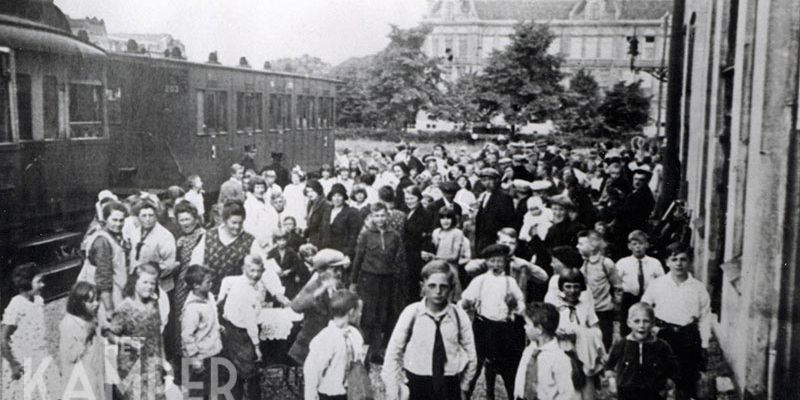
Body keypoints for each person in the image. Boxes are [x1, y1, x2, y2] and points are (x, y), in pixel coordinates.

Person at [382, 261, 477, 400]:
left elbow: (471, 353)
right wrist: (392, 389)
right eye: (432, 286)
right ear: (423, 287)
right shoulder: (411, 313)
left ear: (451, 288)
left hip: (449, 383)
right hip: (417, 382)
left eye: (443, 286)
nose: (438, 291)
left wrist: (464, 386)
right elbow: (393, 352)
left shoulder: (459, 315)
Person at [641, 242, 711, 400]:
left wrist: (704, 344)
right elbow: (644, 307)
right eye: (674, 259)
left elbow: (705, 317)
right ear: (667, 262)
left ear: (690, 261)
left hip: (688, 336)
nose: (678, 264)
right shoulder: (657, 284)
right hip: (663, 335)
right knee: (659, 378)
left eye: (683, 259)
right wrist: (650, 329)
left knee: (687, 379)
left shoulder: (698, 288)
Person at [460, 244, 526, 400]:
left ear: (505, 263)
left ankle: (511, 395)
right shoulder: (480, 280)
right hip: (483, 327)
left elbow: (521, 306)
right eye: (492, 261)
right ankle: (465, 395)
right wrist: (466, 304)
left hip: (503, 329)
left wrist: (514, 305)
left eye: (500, 261)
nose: (496, 265)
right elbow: (465, 301)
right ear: (486, 263)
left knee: (508, 368)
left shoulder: (510, 282)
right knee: (475, 364)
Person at [350, 203, 406, 364]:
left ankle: (376, 352)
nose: (380, 219)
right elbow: (358, 259)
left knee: (382, 316)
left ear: (387, 216)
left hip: (387, 280)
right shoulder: (366, 235)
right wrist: (353, 282)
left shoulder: (394, 235)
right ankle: (364, 351)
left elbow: (399, 260)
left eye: (382, 215)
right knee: (368, 315)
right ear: (371, 217)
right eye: (376, 216)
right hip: (368, 279)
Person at [106, 262, 167, 400]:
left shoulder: (153, 304)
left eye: (152, 283)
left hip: (153, 364)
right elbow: (110, 334)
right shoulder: (124, 308)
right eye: (145, 282)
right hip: (132, 367)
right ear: (135, 282)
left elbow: (158, 335)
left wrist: (163, 359)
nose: (149, 287)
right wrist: (123, 341)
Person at [1, 263, 59, 400]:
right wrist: (13, 364)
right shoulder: (16, 305)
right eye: (38, 282)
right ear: (26, 284)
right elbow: (2, 338)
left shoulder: (39, 300)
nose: (42, 285)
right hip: (22, 360)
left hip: (40, 355)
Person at [546, 268, 605, 400]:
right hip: (562, 350)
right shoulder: (554, 306)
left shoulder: (586, 306)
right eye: (568, 286)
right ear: (561, 287)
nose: (572, 291)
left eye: (576, 287)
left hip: (583, 351)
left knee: (586, 386)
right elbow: (546, 329)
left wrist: (581, 334)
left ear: (582, 288)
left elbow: (596, 329)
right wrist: (557, 332)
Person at [216, 255, 267, 400]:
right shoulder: (245, 290)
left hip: (236, 328)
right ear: (244, 269)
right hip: (240, 333)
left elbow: (227, 280)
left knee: (238, 368)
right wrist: (257, 347)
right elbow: (250, 321)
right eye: (252, 271)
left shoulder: (240, 281)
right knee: (250, 369)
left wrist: (222, 299)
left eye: (259, 271)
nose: (256, 275)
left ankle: (238, 394)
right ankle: (249, 396)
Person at [604, 302, 677, 400]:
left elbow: (672, 370)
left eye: (646, 321)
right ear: (629, 323)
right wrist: (612, 381)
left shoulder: (661, 346)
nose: (641, 325)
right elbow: (609, 366)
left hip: (653, 393)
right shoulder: (622, 344)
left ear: (652, 323)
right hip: (627, 393)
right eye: (636, 321)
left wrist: (670, 391)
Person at [289, 249, 350, 364]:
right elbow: (295, 306)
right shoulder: (314, 286)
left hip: (330, 342)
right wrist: (320, 290)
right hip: (310, 343)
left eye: (340, 269)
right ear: (322, 271)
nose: (339, 273)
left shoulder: (339, 286)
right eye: (335, 269)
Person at [304, 289, 365, 400]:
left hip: (350, 392)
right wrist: (311, 394)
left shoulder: (355, 335)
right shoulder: (326, 338)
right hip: (329, 394)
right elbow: (312, 368)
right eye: (359, 311)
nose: (360, 314)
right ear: (351, 312)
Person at [190, 200, 261, 294]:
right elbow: (195, 263)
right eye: (234, 223)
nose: (237, 226)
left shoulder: (250, 240)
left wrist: (277, 293)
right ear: (225, 220)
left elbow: (263, 267)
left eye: (240, 223)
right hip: (210, 294)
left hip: (237, 295)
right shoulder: (209, 236)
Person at [514, 302, 580, 400]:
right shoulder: (529, 351)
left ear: (539, 329)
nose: (524, 327)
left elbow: (567, 394)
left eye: (527, 324)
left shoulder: (559, 358)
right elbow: (520, 380)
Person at [78, 201, 129, 323]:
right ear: (105, 219)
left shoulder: (111, 235)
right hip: (106, 296)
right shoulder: (102, 242)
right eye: (114, 220)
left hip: (114, 290)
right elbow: (103, 277)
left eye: (121, 220)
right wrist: (109, 309)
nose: (118, 224)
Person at [179, 265, 222, 400]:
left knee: (213, 388)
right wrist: (194, 357)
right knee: (197, 392)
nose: (211, 284)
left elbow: (212, 316)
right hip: (199, 356)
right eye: (208, 282)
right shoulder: (192, 308)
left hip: (212, 351)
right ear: (196, 285)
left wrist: (218, 327)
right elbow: (186, 335)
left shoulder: (209, 296)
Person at [576, 230, 621, 351]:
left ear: (592, 245)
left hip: (603, 310)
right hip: (587, 310)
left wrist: (617, 306)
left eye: (581, 244)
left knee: (604, 341)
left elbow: (617, 286)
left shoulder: (605, 263)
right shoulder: (583, 264)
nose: (577, 247)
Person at [59, 281, 104, 399]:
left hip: (95, 373)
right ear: (79, 303)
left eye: (97, 299)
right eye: (91, 301)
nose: (96, 304)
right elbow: (70, 356)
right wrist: (85, 335)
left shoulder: (93, 316)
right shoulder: (68, 323)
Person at [615, 230, 665, 336]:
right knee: (627, 327)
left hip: (649, 299)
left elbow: (662, 282)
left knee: (647, 325)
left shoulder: (655, 263)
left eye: (641, 244)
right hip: (629, 299)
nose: (638, 247)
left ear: (647, 245)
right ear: (629, 246)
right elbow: (616, 283)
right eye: (634, 244)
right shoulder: (622, 263)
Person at [422, 205, 471, 297]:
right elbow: (434, 250)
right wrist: (428, 255)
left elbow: (454, 257)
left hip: (450, 269)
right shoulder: (436, 232)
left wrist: (436, 258)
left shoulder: (457, 233)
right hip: (436, 268)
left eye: (448, 218)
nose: (445, 221)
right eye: (442, 218)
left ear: (453, 219)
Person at [402, 185, 434, 304]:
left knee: (414, 285)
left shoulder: (424, 214)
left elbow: (426, 236)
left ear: (419, 198)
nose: (408, 201)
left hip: (417, 255)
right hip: (409, 253)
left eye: (411, 198)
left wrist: (423, 251)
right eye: (407, 199)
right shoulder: (410, 212)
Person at [474, 167, 516, 252]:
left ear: (496, 180)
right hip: (483, 240)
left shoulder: (504, 197)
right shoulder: (485, 196)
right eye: (484, 180)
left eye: (490, 179)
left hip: (496, 239)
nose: (487, 183)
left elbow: (509, 221)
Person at [323, 183, 361, 259]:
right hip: (327, 251)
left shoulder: (350, 212)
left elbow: (353, 236)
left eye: (339, 196)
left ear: (344, 197)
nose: (336, 199)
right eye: (334, 196)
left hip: (342, 252)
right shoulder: (327, 211)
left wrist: (348, 255)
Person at [243, 176, 280, 251]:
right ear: (252, 188)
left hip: (272, 239)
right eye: (257, 187)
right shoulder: (249, 204)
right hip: (260, 242)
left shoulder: (266, 201)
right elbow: (248, 227)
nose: (260, 190)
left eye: (262, 187)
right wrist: (261, 240)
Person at [268, 229, 307, 299]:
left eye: (284, 240)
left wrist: (289, 271)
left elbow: (297, 265)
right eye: (279, 240)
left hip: (289, 280)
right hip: (277, 280)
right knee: (277, 299)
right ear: (275, 241)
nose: (282, 243)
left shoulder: (291, 252)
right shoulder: (272, 253)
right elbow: (268, 265)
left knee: (289, 298)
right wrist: (275, 271)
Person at [305, 179, 332, 249]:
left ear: (318, 191)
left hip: (320, 241)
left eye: (312, 191)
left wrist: (322, 245)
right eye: (308, 192)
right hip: (312, 238)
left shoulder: (325, 205)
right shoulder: (310, 203)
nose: (310, 194)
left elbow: (325, 227)